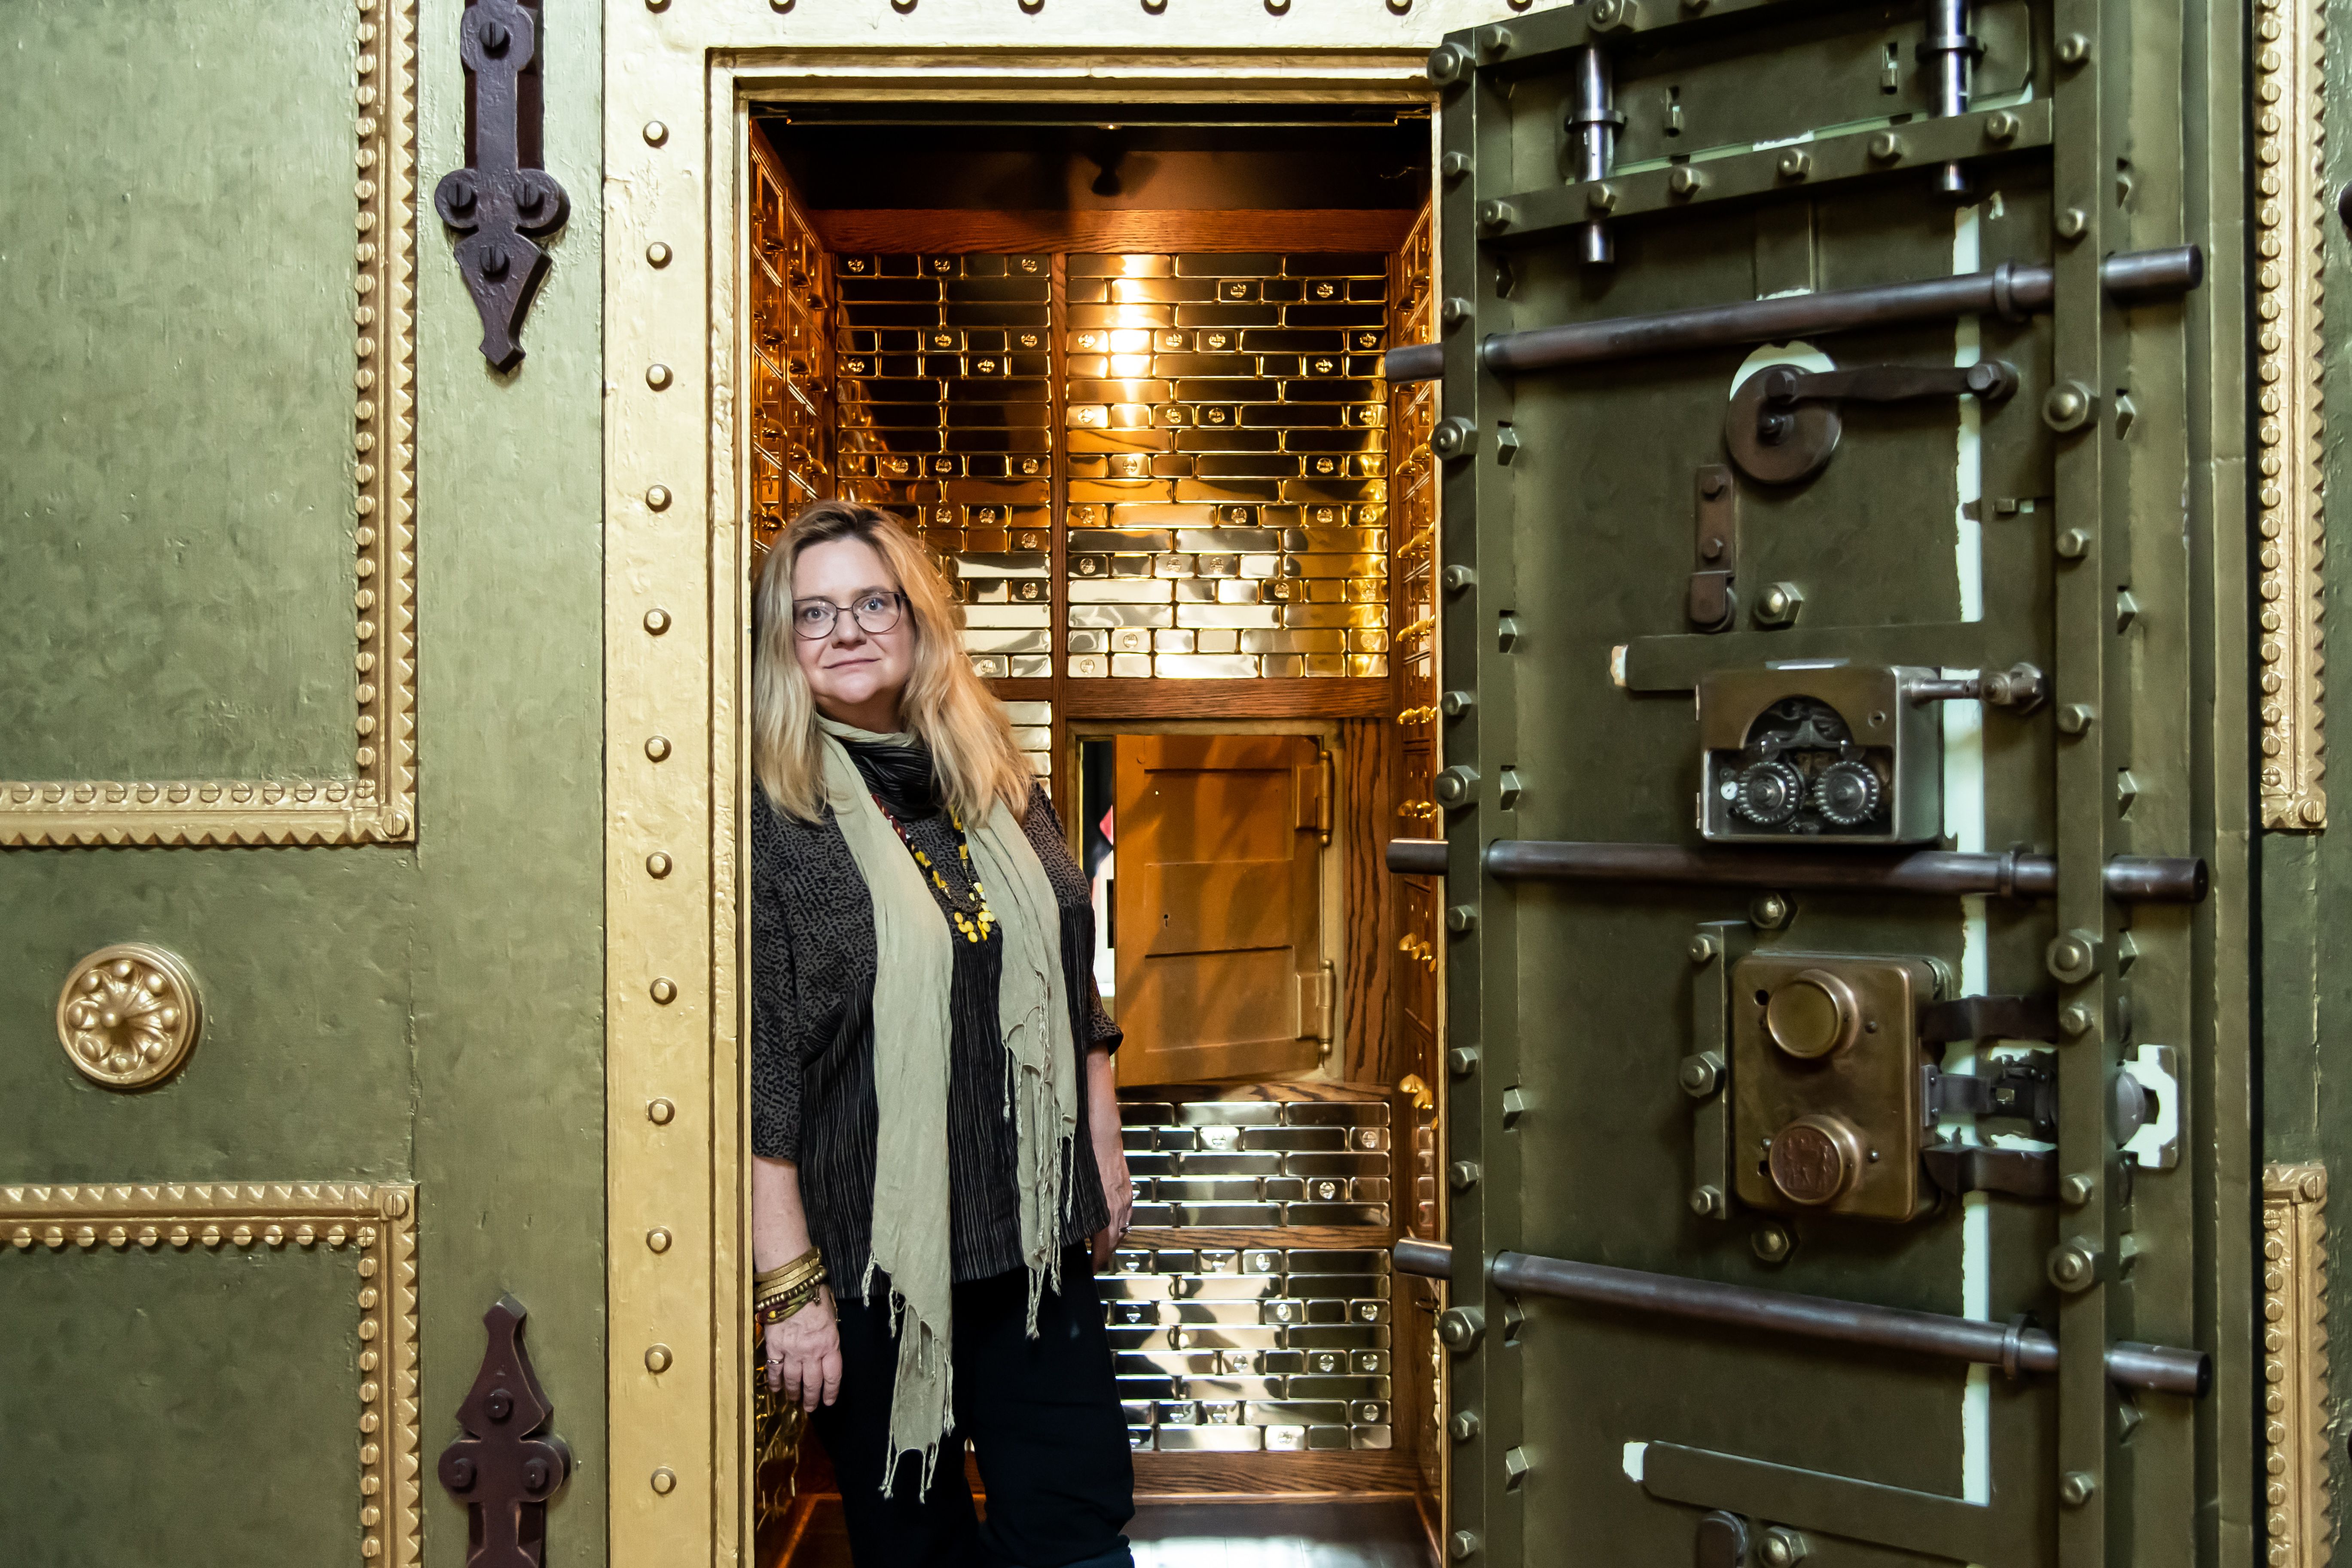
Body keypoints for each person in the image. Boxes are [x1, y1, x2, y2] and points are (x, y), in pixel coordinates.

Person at [749, 499, 1137, 1568]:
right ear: (780, 643)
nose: (847, 630)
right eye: (811, 612)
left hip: (1030, 1234)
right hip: (873, 1258)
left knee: (1075, 1514)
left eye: (874, 601)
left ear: (918, 620)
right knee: (914, 1542)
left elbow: (1070, 966)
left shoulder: (997, 778)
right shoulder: (769, 820)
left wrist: (1100, 1142)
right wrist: (790, 1294)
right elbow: (758, 1074)